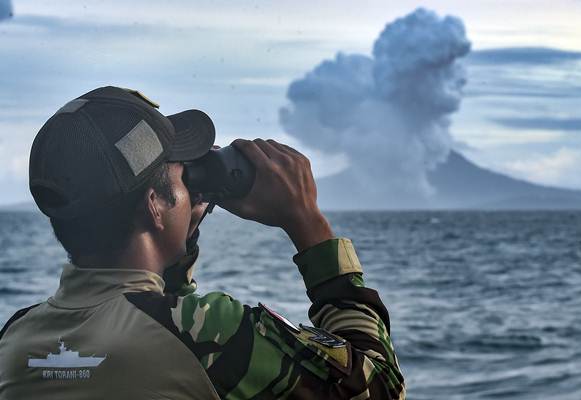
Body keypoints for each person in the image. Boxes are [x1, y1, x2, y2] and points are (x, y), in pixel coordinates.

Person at [0, 86, 405, 399]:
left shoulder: (16, 338)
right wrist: (308, 224)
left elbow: (150, 318)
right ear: (155, 204)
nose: (191, 187)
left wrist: (176, 238)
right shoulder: (209, 335)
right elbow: (380, 386)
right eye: (182, 174)